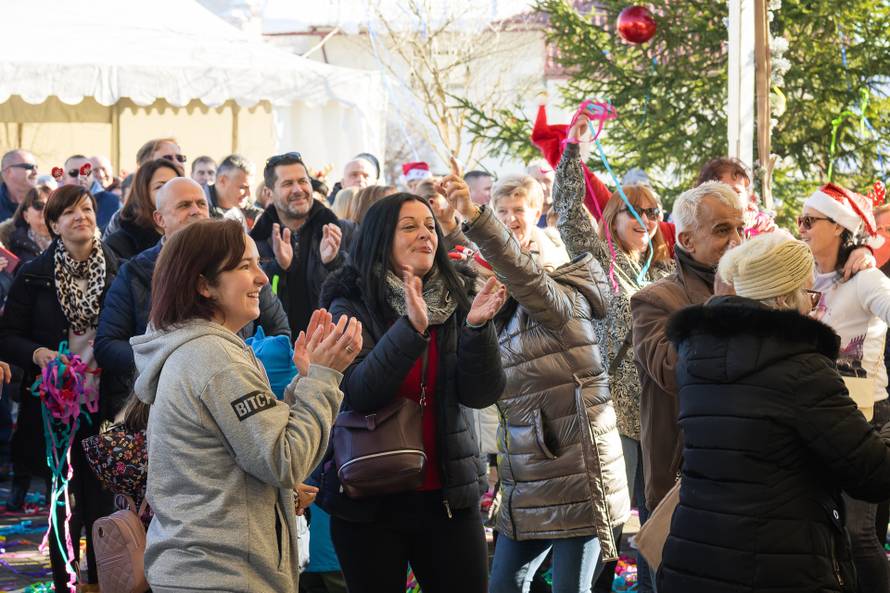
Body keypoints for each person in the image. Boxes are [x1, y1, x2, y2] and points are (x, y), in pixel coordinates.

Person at [130, 218, 361, 593]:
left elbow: (252, 448)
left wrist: (304, 381)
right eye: (244, 266)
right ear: (203, 284)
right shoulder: (215, 358)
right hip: (224, 576)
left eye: (257, 263)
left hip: (206, 569)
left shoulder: (206, 349)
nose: (260, 277)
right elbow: (284, 459)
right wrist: (322, 378)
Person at [660, 231, 890, 592]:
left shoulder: (694, 356)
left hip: (695, 557)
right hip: (780, 566)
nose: (814, 307)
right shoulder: (801, 367)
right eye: (810, 294)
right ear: (784, 297)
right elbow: (874, 474)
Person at [442, 161, 629, 593]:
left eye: (517, 210)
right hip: (526, 475)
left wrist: (474, 216)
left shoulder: (558, 292)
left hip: (575, 472)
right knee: (505, 584)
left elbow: (519, 272)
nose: (510, 220)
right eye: (500, 211)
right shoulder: (498, 296)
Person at [317, 193, 507, 593]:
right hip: (369, 499)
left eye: (429, 225)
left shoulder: (458, 295)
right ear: (381, 238)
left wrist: (476, 329)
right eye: (409, 226)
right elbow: (357, 393)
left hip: (448, 497)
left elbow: (480, 393)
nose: (425, 234)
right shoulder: (349, 300)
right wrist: (410, 329)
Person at [553, 114, 674, 591]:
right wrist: (572, 149)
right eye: (633, 211)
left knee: (658, 516)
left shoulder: (669, 270)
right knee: (606, 520)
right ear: (612, 216)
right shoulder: (600, 261)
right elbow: (567, 210)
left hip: (661, 410)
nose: (643, 220)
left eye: (651, 212)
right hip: (612, 412)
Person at [0, 184, 119, 591]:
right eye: (69, 212)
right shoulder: (34, 275)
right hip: (56, 405)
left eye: (86, 208)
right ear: (54, 224)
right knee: (63, 502)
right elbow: (7, 335)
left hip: (108, 403)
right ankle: (65, 581)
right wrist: (37, 354)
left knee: (104, 501)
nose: (81, 216)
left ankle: (106, 579)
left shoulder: (119, 271)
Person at [95, 177, 290, 421]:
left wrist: (239, 362)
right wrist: (172, 362)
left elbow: (279, 329)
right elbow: (107, 345)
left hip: (234, 389)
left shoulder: (237, 263)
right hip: (163, 405)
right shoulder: (135, 271)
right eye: (184, 205)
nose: (196, 211)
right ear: (159, 219)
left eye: (201, 204)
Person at [629, 181, 745, 589]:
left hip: (748, 478)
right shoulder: (655, 300)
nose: (736, 241)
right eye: (721, 230)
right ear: (685, 240)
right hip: (683, 482)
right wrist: (724, 305)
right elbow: (672, 372)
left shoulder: (755, 294)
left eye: (739, 229)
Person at [799, 182, 890, 593]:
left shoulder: (864, 277)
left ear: (838, 227)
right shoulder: (802, 272)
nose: (800, 229)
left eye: (809, 221)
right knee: (824, 530)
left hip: (867, 415)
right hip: (818, 412)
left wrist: (866, 255)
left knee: (859, 533)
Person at [250, 152, 351, 336]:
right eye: (288, 184)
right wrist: (279, 269)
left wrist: (332, 263)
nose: (298, 189)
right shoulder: (254, 243)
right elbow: (255, 308)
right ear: (269, 193)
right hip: (278, 351)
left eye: (303, 181)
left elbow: (353, 294)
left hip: (329, 345)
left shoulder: (342, 231)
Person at [104, 159, 181, 260]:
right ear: (143, 193)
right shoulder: (119, 243)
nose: (171, 191)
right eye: (160, 187)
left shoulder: (192, 232)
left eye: (175, 185)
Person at [61, 154, 120, 231]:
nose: (80, 177)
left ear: (92, 175)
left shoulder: (113, 201)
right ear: (64, 177)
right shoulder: (55, 203)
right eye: (73, 173)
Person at [0, 184, 53, 265]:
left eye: (51, 205)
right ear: (26, 216)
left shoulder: (70, 240)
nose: (46, 210)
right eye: (39, 205)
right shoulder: (10, 245)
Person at [207, 154, 263, 229]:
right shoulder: (198, 207)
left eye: (250, 187)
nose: (248, 194)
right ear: (222, 180)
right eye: (243, 187)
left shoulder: (249, 212)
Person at [0, 149, 38, 222]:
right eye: (29, 167)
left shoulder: (46, 202)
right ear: (9, 172)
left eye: (36, 167)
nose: (35, 172)